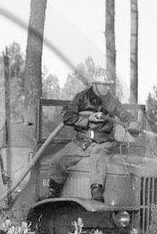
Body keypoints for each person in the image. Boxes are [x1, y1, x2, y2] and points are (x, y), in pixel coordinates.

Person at [48, 69, 140, 201]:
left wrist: (133, 123)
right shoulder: (81, 97)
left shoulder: (112, 101)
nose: (107, 88)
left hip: (103, 142)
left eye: (109, 85)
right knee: (57, 160)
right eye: (104, 85)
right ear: (95, 84)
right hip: (82, 142)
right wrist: (88, 119)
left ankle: (97, 192)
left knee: (98, 153)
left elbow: (125, 115)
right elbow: (67, 117)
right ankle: (53, 195)